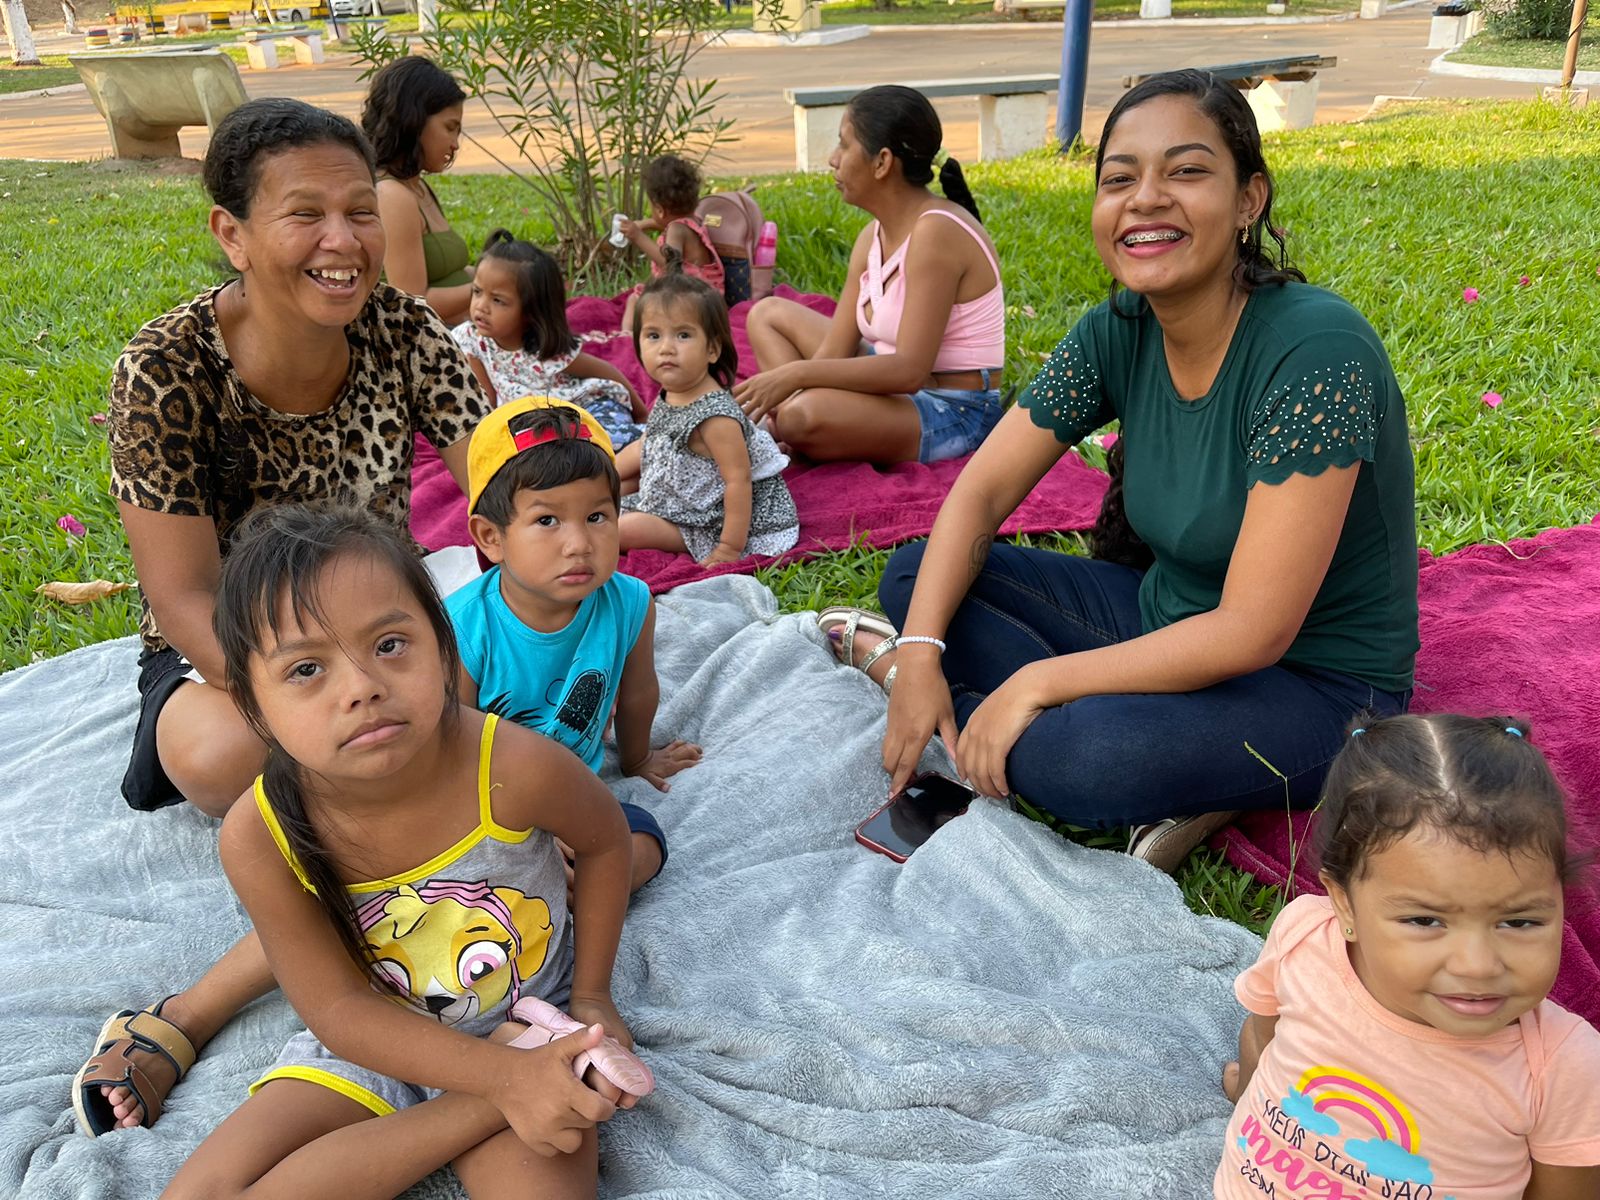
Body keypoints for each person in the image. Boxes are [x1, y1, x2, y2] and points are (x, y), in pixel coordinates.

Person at [820, 69, 1419, 871]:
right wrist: (924, 650)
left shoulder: (1316, 353)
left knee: (1085, 760)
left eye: (1186, 171)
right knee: (922, 576)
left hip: (1318, 687)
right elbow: (985, 489)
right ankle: (937, 682)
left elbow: (1254, 628)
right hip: (1163, 619)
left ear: (1250, 200)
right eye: (1120, 178)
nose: (1146, 198)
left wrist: (1039, 684)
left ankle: (1046, 726)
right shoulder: (1120, 328)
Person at [74, 96, 490, 1137]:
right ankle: (204, 1006)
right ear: (232, 232)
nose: (344, 242)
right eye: (306, 215)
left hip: (384, 640)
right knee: (242, 765)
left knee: (441, 760)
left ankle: (191, 1012)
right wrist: (301, 709)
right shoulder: (165, 368)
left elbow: (501, 477)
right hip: (225, 660)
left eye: (360, 210)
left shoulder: (400, 332)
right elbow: (180, 595)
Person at [161, 504, 642, 1199]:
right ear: (254, 709)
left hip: (525, 1013)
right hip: (379, 1044)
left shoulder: (511, 766)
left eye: (389, 644)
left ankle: (530, 1072)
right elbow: (340, 1012)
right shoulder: (259, 834)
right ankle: (516, 1084)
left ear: (444, 651)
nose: (361, 688)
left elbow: (602, 841)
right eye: (305, 670)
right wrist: (505, 1081)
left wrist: (593, 993)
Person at [1217, 714, 1600, 1199]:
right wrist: (1247, 1097)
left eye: (1519, 922)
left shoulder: (1563, 1067)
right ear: (1344, 904)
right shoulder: (1306, 935)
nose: (1477, 965)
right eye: (1425, 921)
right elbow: (1261, 1034)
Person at [451, 396, 703, 896]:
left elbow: (637, 694)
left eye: (596, 516)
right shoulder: (464, 627)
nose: (579, 543)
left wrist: (635, 761)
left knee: (645, 843)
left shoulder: (630, 602)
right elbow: (447, 745)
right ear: (490, 538)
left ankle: (552, 895)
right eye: (547, 521)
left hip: (575, 800)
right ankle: (532, 893)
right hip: (485, 806)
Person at [734, 84, 1004, 465]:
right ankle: (798, 424)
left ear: (882, 162)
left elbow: (909, 371)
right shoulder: (871, 237)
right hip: (898, 385)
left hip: (956, 413)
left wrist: (793, 377)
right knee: (767, 314)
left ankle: (790, 426)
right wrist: (799, 379)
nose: (833, 159)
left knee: (800, 415)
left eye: (844, 145)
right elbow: (835, 352)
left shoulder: (936, 233)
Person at [618, 272, 799, 566]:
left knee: (622, 529)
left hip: (712, 522)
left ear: (712, 349)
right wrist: (608, 471)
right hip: (682, 493)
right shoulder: (674, 391)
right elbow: (650, 444)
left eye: (683, 335)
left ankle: (605, 527)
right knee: (610, 489)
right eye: (653, 335)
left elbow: (738, 481)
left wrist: (728, 548)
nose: (666, 347)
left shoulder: (716, 417)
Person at [452, 230, 647, 448]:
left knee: (603, 446)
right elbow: (485, 403)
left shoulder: (545, 351)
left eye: (498, 300)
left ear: (531, 311)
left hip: (588, 410)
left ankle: (653, 439)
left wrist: (641, 413)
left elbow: (606, 372)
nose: (481, 306)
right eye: (477, 292)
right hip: (544, 430)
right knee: (557, 467)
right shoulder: (472, 340)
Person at [364, 56, 475, 326]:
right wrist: (497, 290)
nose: (455, 144)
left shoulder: (417, 187)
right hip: (432, 353)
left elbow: (451, 273)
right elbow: (412, 303)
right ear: (413, 121)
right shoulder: (392, 195)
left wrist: (502, 270)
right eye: (450, 128)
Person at [617, 154, 726, 335]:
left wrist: (638, 236)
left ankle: (626, 336)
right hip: (708, 299)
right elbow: (661, 223)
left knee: (635, 300)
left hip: (690, 301)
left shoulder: (676, 230)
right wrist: (642, 224)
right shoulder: (693, 222)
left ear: (659, 209)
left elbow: (669, 262)